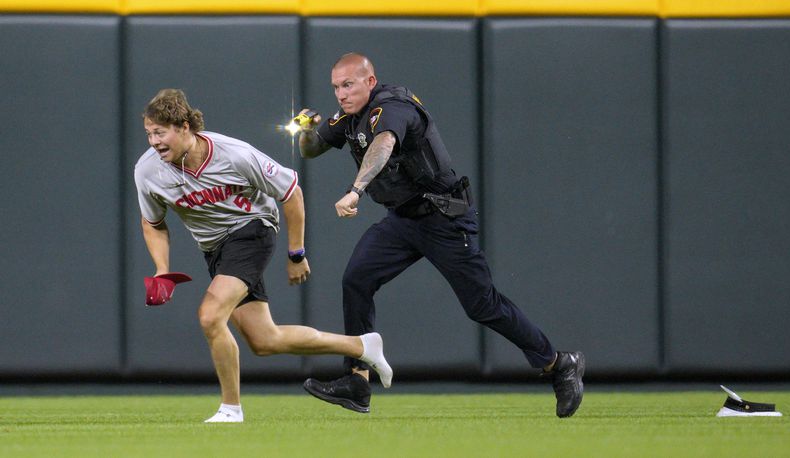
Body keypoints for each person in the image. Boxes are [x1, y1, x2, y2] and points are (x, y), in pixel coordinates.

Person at [295, 53, 585, 418]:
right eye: (336, 87)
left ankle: (558, 364)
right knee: (357, 279)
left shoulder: (393, 107)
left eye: (348, 84)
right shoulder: (352, 116)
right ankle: (357, 379)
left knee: (482, 305)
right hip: (402, 220)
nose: (341, 93)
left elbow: (383, 144)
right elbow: (312, 148)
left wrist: (356, 189)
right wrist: (306, 129)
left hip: (444, 217)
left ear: (370, 81)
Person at [134, 88, 392, 422]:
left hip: (252, 230)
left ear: (184, 127)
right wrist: (162, 269)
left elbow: (291, 193)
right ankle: (362, 346)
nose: (154, 141)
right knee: (264, 339)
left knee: (210, 316)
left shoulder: (234, 154)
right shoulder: (148, 170)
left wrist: (296, 253)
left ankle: (230, 408)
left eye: (160, 131)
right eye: (149, 133)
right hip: (215, 249)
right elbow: (152, 222)